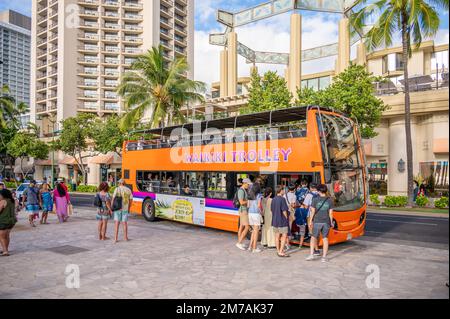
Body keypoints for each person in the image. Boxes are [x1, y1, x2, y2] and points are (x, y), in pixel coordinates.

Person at [306, 184, 334, 263]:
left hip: (317, 221)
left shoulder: (315, 199)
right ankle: (324, 257)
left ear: (318, 191)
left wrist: (310, 221)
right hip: (326, 222)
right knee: (325, 238)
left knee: (313, 237)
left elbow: (312, 211)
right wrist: (331, 222)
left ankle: (311, 254)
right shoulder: (330, 200)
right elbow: (331, 213)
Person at [271, 186, 290, 257]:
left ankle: (278, 250)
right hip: (282, 220)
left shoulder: (273, 199)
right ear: (281, 190)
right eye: (283, 190)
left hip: (275, 220)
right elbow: (284, 211)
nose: (284, 191)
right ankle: (281, 251)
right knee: (284, 235)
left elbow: (272, 210)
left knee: (277, 236)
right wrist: (287, 218)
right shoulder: (282, 199)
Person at [302, 183, 321, 255]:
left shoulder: (309, 195)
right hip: (320, 215)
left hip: (311, 215)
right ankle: (316, 246)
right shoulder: (320, 194)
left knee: (312, 233)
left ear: (311, 188)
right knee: (317, 232)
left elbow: (306, 206)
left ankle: (316, 249)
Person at [0, 189, 17, 256]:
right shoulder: (12, 201)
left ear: (3, 195)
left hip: (3, 221)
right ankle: (6, 249)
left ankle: (5, 251)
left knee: (1, 237)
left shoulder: (3, 201)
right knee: (6, 236)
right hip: (11, 221)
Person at [235, 178, 251, 251]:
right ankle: (239, 242)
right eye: (248, 184)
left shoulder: (243, 190)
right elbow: (241, 202)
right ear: (244, 183)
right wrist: (249, 201)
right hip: (243, 211)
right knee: (247, 227)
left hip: (242, 210)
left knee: (241, 226)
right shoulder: (241, 191)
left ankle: (240, 242)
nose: (248, 186)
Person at [248, 185, 263, 253]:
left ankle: (250, 247)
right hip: (256, 214)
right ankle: (254, 248)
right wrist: (262, 212)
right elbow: (259, 205)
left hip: (250, 213)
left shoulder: (250, 195)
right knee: (256, 232)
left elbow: (248, 205)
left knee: (254, 231)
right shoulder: (259, 195)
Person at [284, 184, 297, 249]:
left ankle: (285, 242)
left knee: (285, 227)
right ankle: (287, 243)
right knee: (289, 227)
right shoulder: (294, 196)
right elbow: (293, 205)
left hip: (284, 212)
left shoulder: (284, 195)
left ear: (288, 189)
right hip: (290, 212)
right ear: (294, 189)